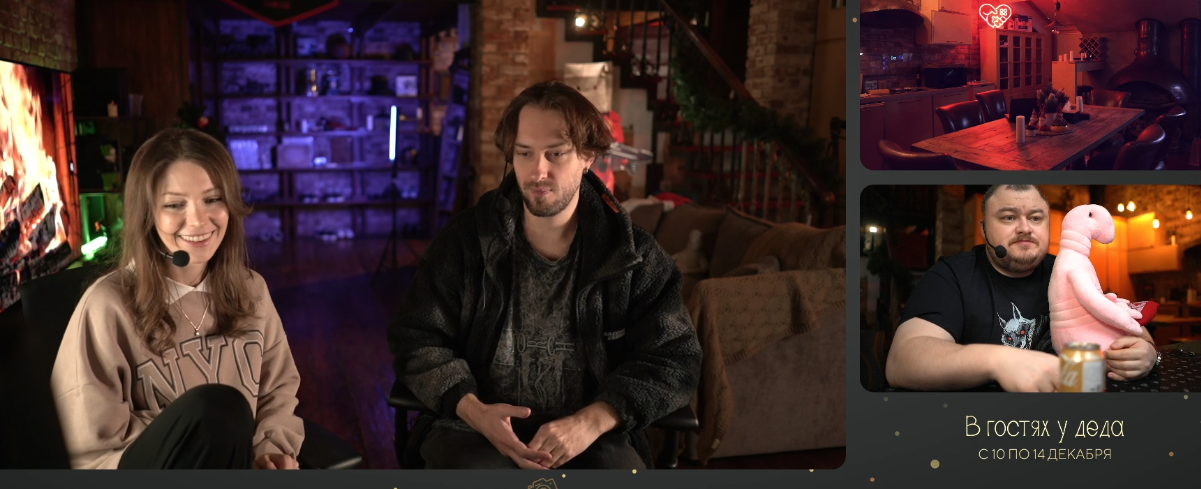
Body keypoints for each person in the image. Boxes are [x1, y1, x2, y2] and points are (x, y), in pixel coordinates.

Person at [388, 80, 702, 470]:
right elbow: (416, 337)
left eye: (556, 153)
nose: (538, 171)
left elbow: (675, 359)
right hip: (472, 430)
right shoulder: (466, 242)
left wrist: (593, 420)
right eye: (524, 153)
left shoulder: (631, 255)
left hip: (591, 437)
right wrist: (471, 409)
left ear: (587, 157)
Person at [50, 128, 304, 469]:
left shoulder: (252, 289)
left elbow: (278, 392)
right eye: (174, 204)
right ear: (148, 214)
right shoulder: (106, 306)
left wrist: (270, 451)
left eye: (213, 199)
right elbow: (91, 445)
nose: (198, 220)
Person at [885, 184, 1157, 392]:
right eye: (1008, 217)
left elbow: (1126, 323)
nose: (1025, 228)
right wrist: (999, 361)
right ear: (983, 228)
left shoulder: (1068, 270)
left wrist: (1147, 352)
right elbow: (902, 360)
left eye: (1036, 218)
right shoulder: (952, 274)